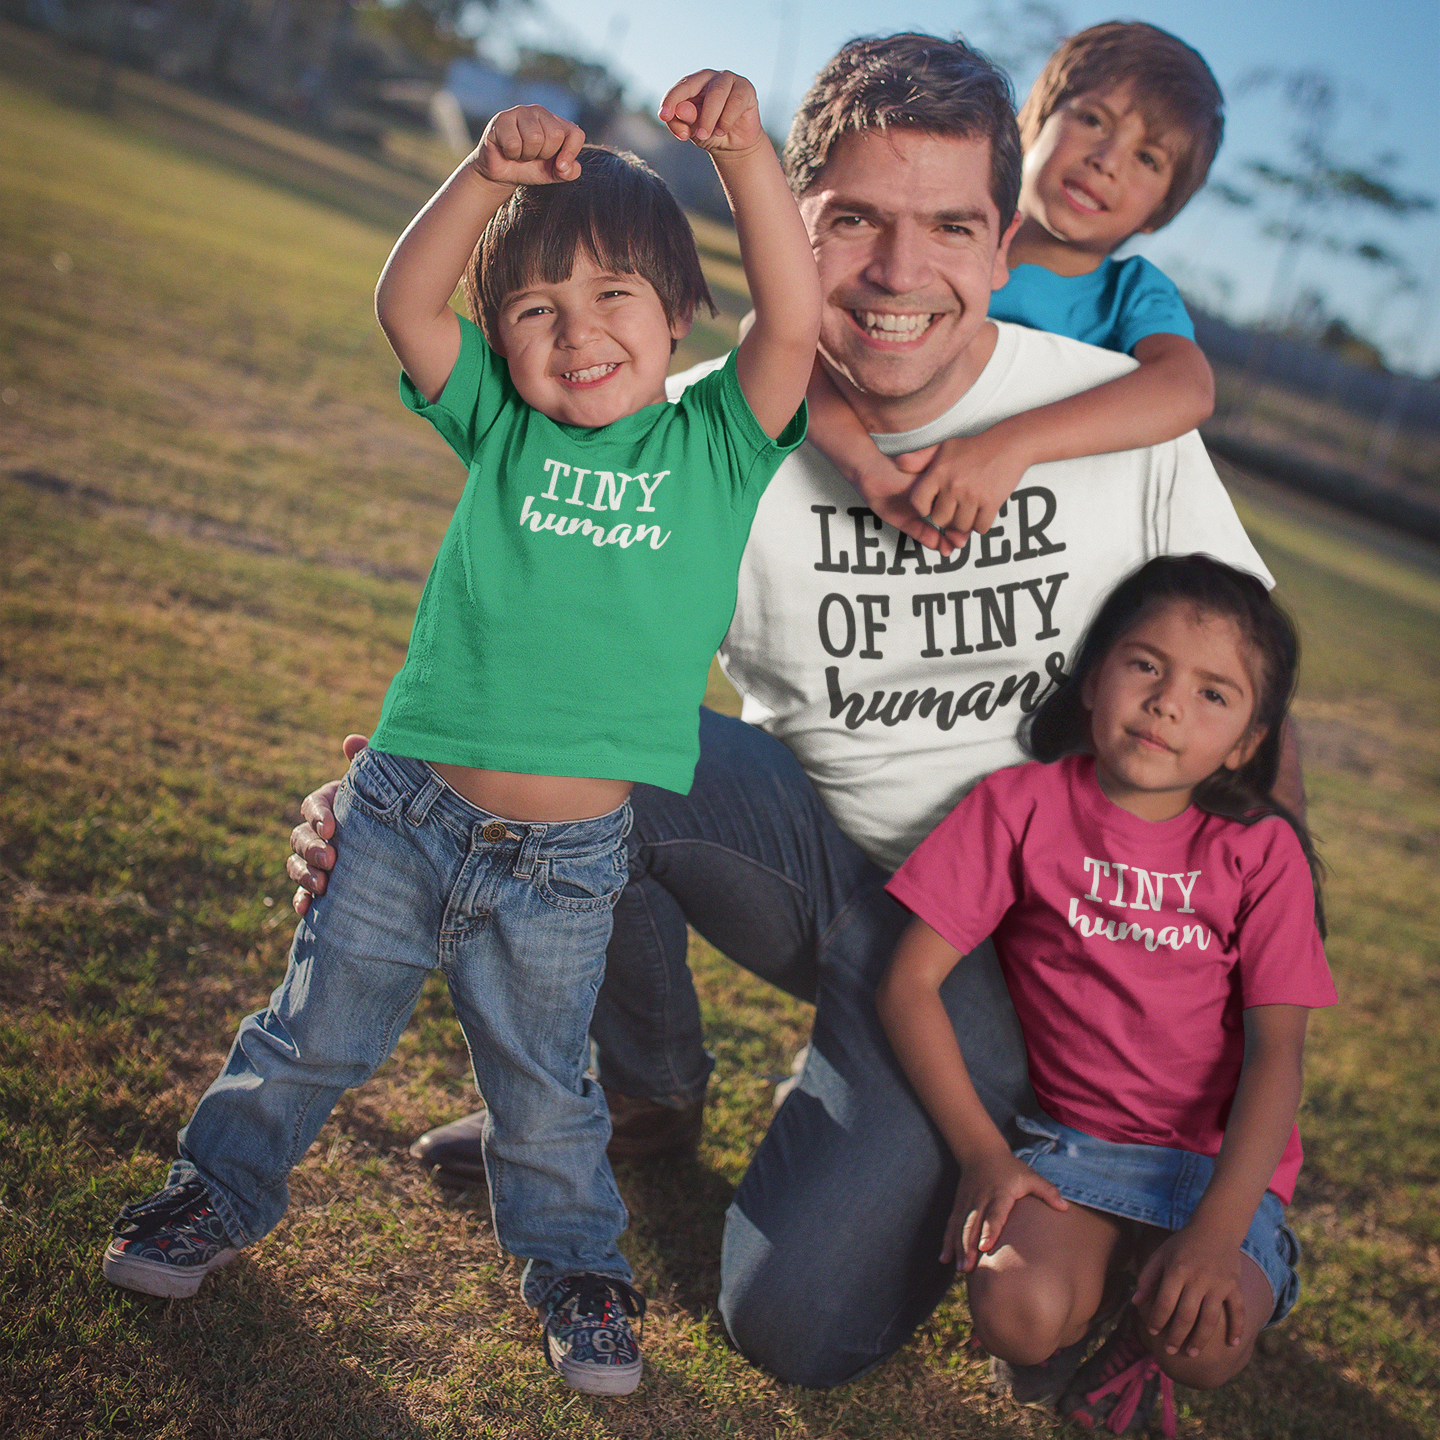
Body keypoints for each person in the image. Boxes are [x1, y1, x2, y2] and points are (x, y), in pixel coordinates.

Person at [289, 32, 1302, 1389]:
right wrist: (388, 795)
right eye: (852, 224)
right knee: (607, 766)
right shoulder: (694, 435)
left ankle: (981, 1164)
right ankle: (642, 1091)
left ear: (1003, 243)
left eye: (947, 225)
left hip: (1012, 952)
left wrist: (1244, 989)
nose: (896, 273)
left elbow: (1255, 716)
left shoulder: (1114, 422)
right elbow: (540, 660)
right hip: (820, 859)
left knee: (794, 1325)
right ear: (788, 227)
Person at [101, 68, 819, 1400]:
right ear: (501, 337)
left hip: (567, 861)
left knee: (545, 1090)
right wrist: (486, 172)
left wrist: (747, 165)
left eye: (615, 299)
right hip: (403, 817)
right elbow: (404, 302)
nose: (578, 333)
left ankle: (576, 1274)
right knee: (311, 1033)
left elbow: (795, 319)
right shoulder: (503, 428)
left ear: (679, 316)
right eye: (536, 310)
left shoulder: (717, 443)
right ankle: (212, 1192)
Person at [878, 554, 1333, 1430]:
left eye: (1214, 693)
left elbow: (1279, 1052)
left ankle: (1144, 1313)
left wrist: (1215, 1230)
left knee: (1201, 1345)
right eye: (1146, 664)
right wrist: (983, 1152)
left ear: (1245, 743)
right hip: (1079, 1150)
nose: (1167, 701)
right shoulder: (1020, 805)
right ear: (1093, 678)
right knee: (1019, 1317)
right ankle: (1107, 1275)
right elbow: (908, 985)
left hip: (1217, 1169)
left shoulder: (1261, 853)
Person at [805, 21, 1222, 555]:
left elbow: (1188, 389)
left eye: (1148, 158)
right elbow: (785, 345)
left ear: (1160, 212)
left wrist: (1011, 445)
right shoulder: (927, 262)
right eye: (1093, 120)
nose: (1107, 160)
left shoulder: (1132, 294)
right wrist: (868, 471)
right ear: (1034, 121)